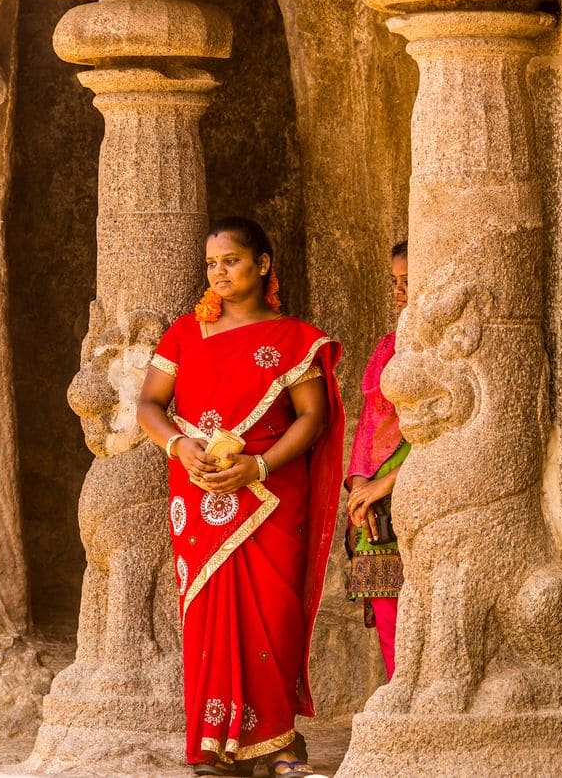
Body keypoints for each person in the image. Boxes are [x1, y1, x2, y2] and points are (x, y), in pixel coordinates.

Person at [137, 217, 344, 778]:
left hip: (270, 496)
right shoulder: (184, 333)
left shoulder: (294, 338)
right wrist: (180, 447)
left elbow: (313, 417)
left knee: (272, 617)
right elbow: (149, 405)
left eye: (231, 260)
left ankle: (279, 747)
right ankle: (213, 750)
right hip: (201, 495)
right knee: (207, 619)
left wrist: (259, 463)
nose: (219, 272)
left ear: (263, 263)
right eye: (212, 263)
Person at [344, 240, 408, 678]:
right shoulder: (387, 348)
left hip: (416, 490)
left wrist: (384, 486)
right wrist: (359, 489)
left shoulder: (437, 356)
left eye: (410, 281)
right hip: (376, 509)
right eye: (394, 282)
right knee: (390, 622)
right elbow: (367, 430)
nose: (399, 291)